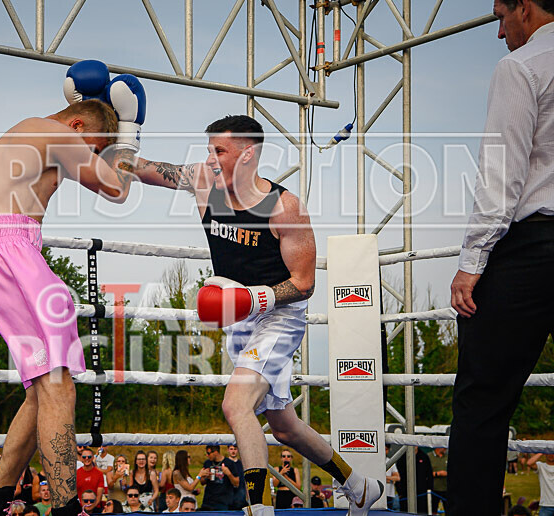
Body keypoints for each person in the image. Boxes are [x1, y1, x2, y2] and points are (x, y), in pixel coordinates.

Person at [130, 114, 383, 516]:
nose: (210, 159)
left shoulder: (284, 207)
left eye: (220, 151)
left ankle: (259, 508)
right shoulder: (204, 182)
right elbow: (143, 170)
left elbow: (303, 283)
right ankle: (360, 486)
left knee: (236, 405)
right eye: (208, 149)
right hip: (238, 316)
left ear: (248, 154)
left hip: (279, 316)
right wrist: (116, 137)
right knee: (284, 425)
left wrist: (254, 299)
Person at [0, 59, 143, 516]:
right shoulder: (56, 133)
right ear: (79, 124)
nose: (91, 157)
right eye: (94, 147)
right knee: (60, 384)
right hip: (12, 250)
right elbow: (116, 187)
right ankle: (67, 509)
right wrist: (129, 128)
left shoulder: (31, 136)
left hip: (1, 252)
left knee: (42, 388)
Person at [447, 1, 554, 514]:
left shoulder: (522, 66)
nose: (498, 31)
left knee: (482, 404)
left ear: (526, 9)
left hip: (534, 246)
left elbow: (501, 176)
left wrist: (472, 262)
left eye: (500, 16)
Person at [427, 447, 448, 515]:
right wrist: (438, 473)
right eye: (444, 447)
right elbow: (425, 473)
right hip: (434, 489)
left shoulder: (448, 456)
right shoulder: (429, 457)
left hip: (446, 489)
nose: (445, 449)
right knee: (433, 510)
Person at [225, 446, 245, 510]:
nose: (233, 451)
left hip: (240, 494)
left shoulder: (242, 464)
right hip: (228, 495)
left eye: (235, 449)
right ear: (228, 450)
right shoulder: (224, 463)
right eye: (231, 449)